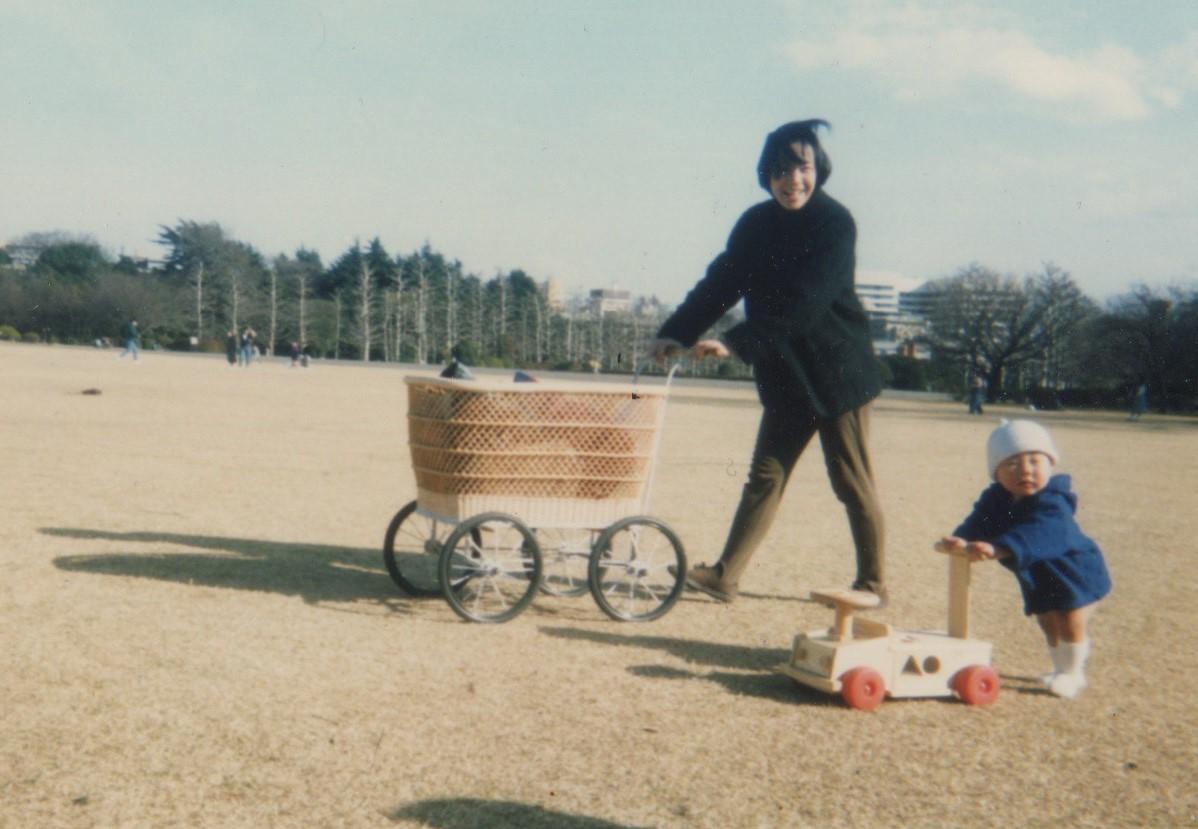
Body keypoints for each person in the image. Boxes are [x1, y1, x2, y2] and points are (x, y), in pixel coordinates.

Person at [648, 118, 886, 605]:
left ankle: (874, 584)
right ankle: (724, 575)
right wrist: (674, 332)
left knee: (850, 480)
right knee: (766, 475)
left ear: (817, 168)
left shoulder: (835, 224)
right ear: (765, 175)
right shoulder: (755, 224)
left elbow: (806, 303)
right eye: (779, 171)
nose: (791, 180)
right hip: (785, 373)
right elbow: (719, 285)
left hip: (838, 374)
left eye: (800, 167)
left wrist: (735, 344)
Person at [936, 419, 1111, 699]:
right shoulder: (997, 498)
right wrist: (962, 540)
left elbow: (1039, 532)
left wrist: (999, 548)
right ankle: (1060, 668)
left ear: (1050, 464)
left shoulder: (1054, 501)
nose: (1025, 470)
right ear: (997, 472)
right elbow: (980, 521)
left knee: (1069, 617)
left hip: (1075, 571)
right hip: (1038, 573)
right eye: (1012, 464)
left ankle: (1073, 672)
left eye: (1034, 461)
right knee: (1046, 620)